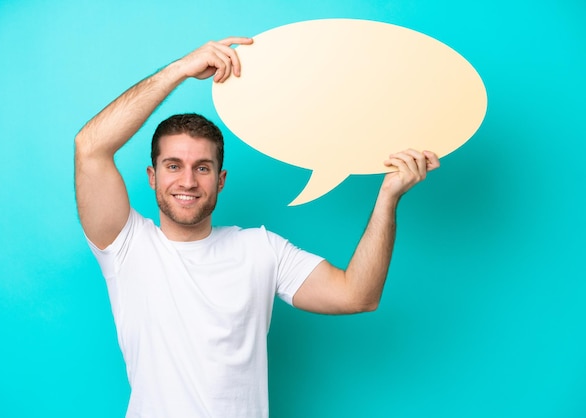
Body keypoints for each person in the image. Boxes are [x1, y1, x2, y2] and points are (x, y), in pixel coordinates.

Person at [74, 37, 440, 418]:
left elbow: (357, 295)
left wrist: (388, 198)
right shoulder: (127, 246)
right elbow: (90, 146)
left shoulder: (261, 249)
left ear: (221, 180)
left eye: (202, 167)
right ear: (152, 176)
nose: (187, 181)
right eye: (173, 166)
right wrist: (180, 70)